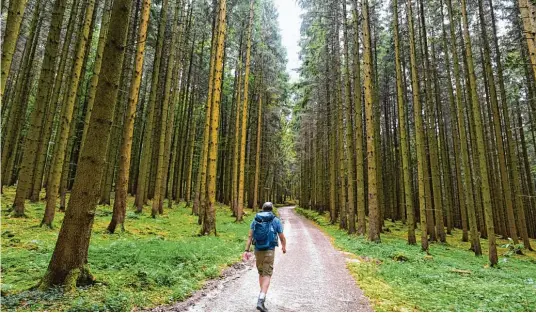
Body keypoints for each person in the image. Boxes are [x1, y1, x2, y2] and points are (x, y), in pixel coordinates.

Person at [244, 202, 287, 312]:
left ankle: (262, 295)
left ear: (262, 209)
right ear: (271, 209)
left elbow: (250, 236)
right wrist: (283, 247)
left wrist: (246, 250)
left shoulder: (256, 219)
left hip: (258, 250)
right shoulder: (275, 220)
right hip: (269, 250)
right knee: (267, 274)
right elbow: (282, 237)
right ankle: (261, 298)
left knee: (261, 272)